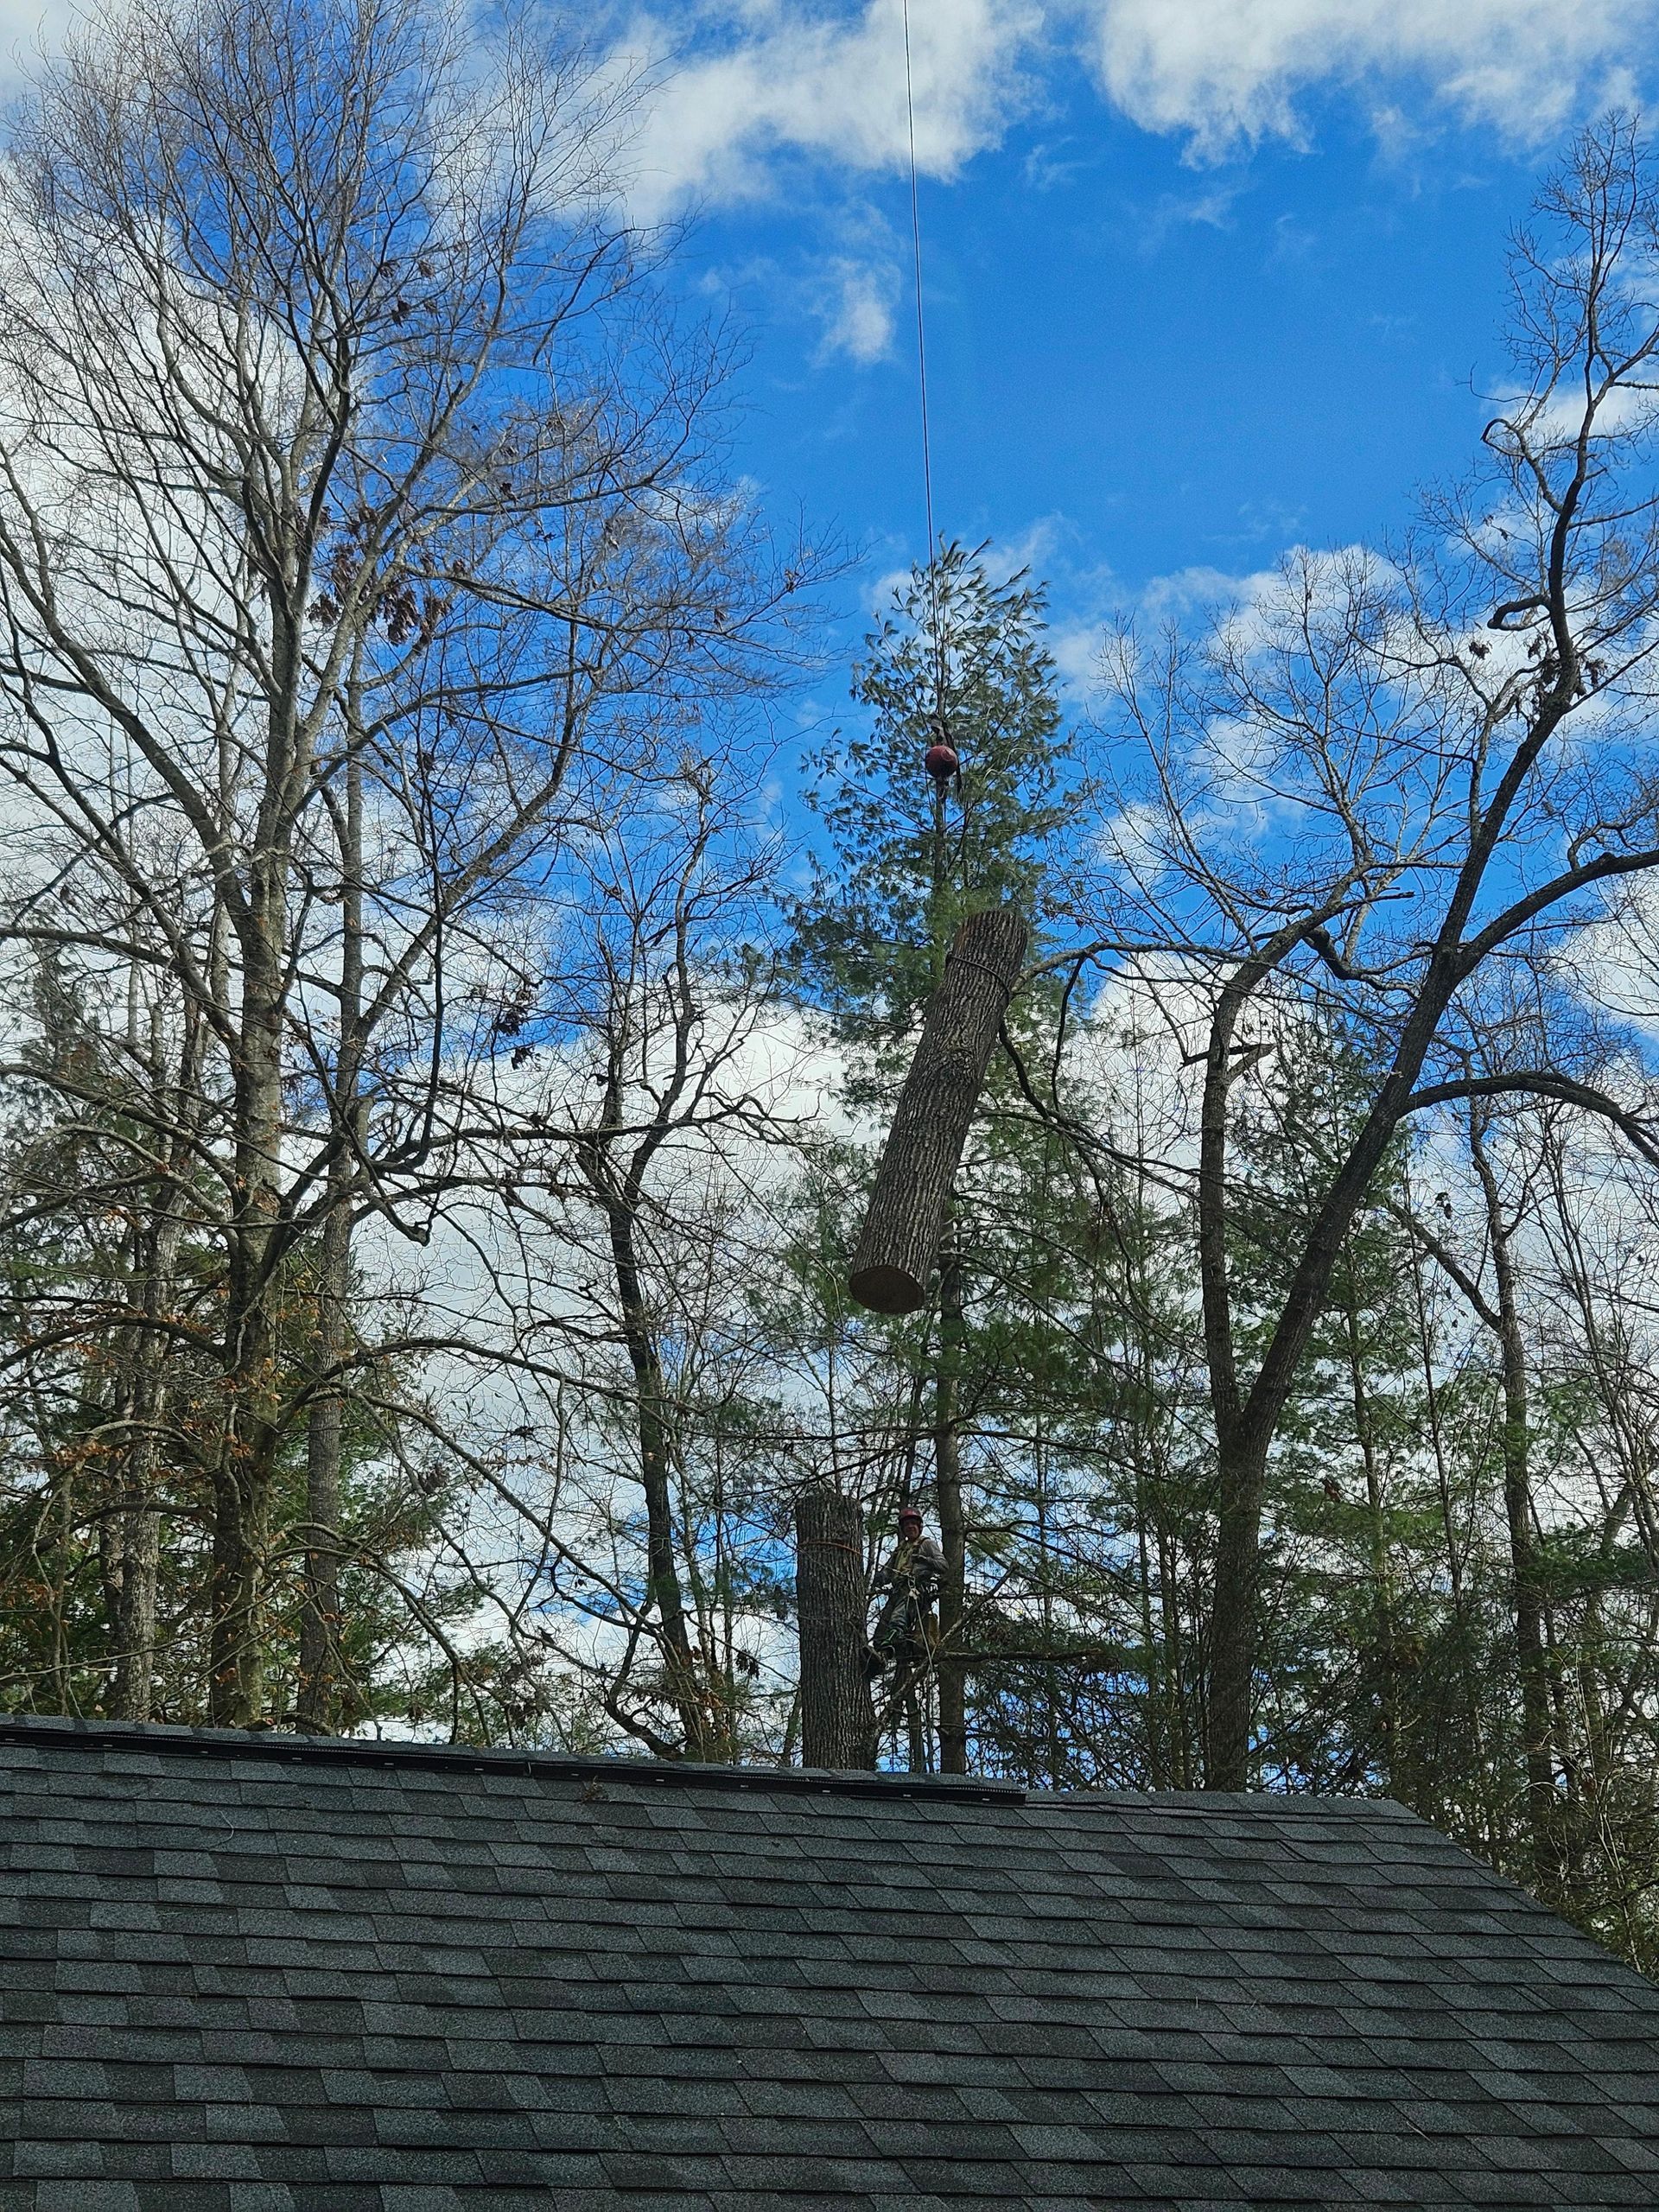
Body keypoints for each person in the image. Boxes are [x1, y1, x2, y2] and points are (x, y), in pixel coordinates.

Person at [868, 1505, 947, 1674]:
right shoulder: (900, 1550)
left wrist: (924, 1560)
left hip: (915, 1591)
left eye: (913, 1524)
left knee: (898, 1621)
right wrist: (880, 1578)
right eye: (907, 1525)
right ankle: (876, 1658)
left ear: (919, 1527)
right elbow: (888, 1572)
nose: (910, 1527)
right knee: (882, 1627)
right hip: (898, 1591)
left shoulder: (927, 1544)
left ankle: (886, 1653)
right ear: (903, 1529)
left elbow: (943, 1566)